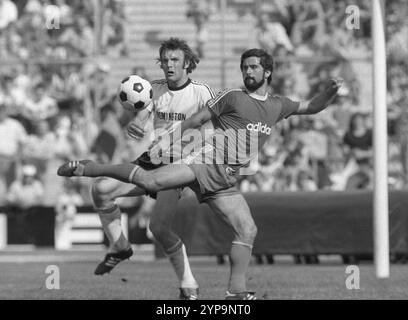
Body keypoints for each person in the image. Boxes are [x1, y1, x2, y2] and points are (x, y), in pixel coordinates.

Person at [58, 48, 342, 300]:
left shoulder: (278, 105)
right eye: (245, 67)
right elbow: (198, 118)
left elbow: (313, 106)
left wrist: (330, 90)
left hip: (224, 178)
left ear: (267, 72)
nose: (248, 71)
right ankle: (89, 167)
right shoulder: (232, 97)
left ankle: (237, 291)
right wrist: (170, 138)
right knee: (150, 180)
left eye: (254, 67)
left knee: (248, 229)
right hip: (204, 161)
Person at [86, 38, 215, 300]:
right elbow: (143, 113)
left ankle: (188, 285)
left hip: (179, 165)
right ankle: (120, 246)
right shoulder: (153, 89)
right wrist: (137, 123)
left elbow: (213, 130)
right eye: (165, 60)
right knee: (100, 190)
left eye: (175, 60)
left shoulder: (202, 93)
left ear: (188, 63)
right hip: (152, 159)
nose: (169, 65)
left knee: (158, 227)